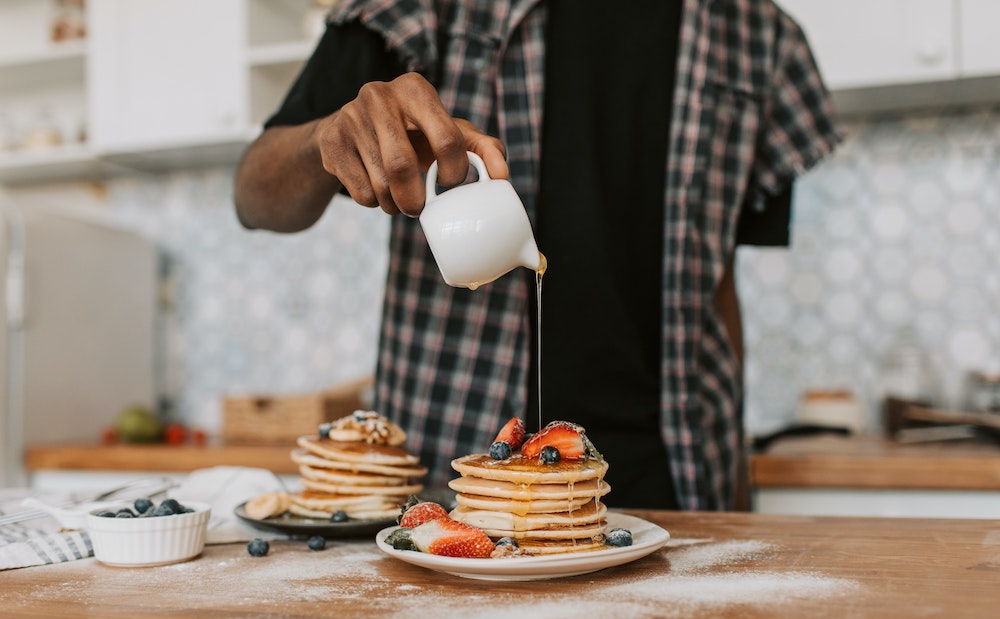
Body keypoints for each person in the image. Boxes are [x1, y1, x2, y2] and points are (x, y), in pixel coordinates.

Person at [234, 0, 841, 511]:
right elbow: (252, 193)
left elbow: (718, 280)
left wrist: (736, 488)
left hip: (673, 478)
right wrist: (325, 137)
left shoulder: (759, 37)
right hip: (456, 476)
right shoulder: (428, 6)